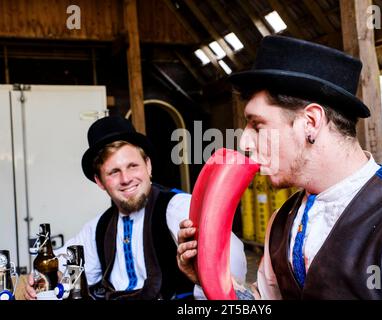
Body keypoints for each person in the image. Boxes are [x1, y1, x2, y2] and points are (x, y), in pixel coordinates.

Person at [177, 35, 382, 299]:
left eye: (257, 125)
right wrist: (210, 276)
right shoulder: (281, 223)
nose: (245, 142)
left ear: (310, 122)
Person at [24, 115, 247, 300]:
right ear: (100, 181)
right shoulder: (98, 228)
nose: (126, 178)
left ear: (148, 166)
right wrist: (43, 279)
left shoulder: (179, 208)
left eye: (133, 166)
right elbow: (64, 262)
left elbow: (232, 266)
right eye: (113, 172)